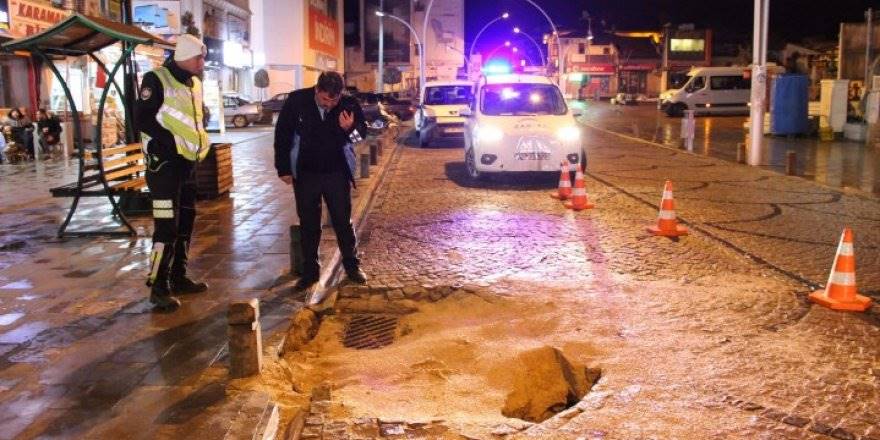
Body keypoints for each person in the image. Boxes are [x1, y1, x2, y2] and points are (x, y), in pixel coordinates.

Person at [134, 34, 211, 312]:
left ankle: (179, 276)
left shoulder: (196, 82)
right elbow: (142, 118)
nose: (202, 62)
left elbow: (195, 115)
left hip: (187, 165)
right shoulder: (156, 79)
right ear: (183, 56)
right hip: (163, 167)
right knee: (166, 227)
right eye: (198, 57)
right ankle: (158, 285)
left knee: (186, 222)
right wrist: (169, 142)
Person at [273, 71, 369, 293]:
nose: (329, 104)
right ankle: (310, 271)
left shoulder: (349, 104)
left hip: (337, 173)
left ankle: (352, 266)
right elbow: (282, 135)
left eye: (334, 100)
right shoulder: (297, 101)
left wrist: (350, 128)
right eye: (325, 99)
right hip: (306, 174)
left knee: (342, 222)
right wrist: (284, 169)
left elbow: (360, 137)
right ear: (317, 90)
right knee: (308, 224)